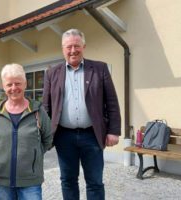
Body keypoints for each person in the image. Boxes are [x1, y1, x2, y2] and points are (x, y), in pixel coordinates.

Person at [42, 29, 121, 200]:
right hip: (64, 136)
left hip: (91, 135)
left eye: (76, 46)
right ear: (62, 48)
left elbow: (112, 102)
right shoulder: (52, 73)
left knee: (95, 182)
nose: (73, 50)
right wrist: (42, 136)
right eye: (68, 46)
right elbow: (45, 108)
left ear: (83, 46)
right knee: (68, 180)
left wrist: (113, 131)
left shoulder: (100, 69)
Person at [0, 63, 53, 200]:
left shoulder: (38, 111)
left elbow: (48, 139)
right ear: (4, 86)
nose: (14, 88)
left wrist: (34, 153)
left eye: (18, 83)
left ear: (25, 84)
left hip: (30, 181)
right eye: (9, 84)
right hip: (1, 180)